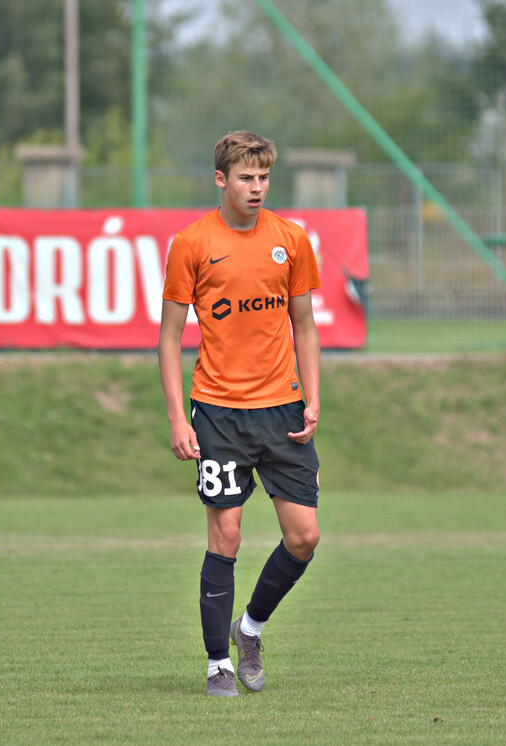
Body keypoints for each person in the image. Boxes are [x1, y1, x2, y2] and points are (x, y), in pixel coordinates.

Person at [158, 130, 323, 697]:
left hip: (282, 410)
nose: (257, 187)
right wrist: (179, 418)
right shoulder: (192, 243)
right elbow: (169, 337)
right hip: (219, 413)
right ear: (221, 180)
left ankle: (248, 629)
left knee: (304, 536)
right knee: (225, 532)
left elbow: (304, 324)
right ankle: (216, 664)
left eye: (264, 177)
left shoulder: (291, 240)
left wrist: (314, 396)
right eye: (246, 177)